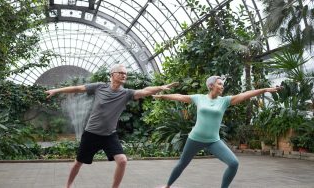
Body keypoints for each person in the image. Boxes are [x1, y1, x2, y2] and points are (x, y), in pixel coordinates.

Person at [45, 64, 178, 188]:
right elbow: (78, 88)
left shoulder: (126, 93)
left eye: (126, 74)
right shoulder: (99, 87)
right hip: (91, 133)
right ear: (112, 74)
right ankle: (68, 186)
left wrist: (160, 87)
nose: (124, 75)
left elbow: (145, 91)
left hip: (109, 135)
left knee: (122, 161)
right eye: (121, 73)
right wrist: (56, 90)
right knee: (78, 162)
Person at [153, 76, 282, 188]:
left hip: (213, 141)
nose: (222, 87)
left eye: (222, 85)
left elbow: (245, 94)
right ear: (211, 85)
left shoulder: (224, 101)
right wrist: (163, 95)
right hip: (195, 139)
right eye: (220, 84)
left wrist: (264, 90)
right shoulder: (199, 98)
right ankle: (168, 185)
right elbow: (180, 97)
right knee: (182, 164)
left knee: (233, 163)